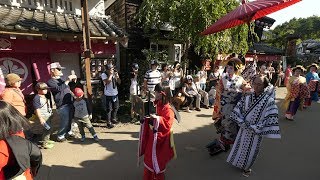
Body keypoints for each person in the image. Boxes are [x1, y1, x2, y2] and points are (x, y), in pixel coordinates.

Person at [227, 75, 281, 177]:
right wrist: (241, 122)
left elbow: (270, 116)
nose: (256, 86)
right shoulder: (247, 97)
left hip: (256, 130)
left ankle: (247, 168)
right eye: (254, 83)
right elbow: (238, 109)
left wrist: (258, 127)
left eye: (259, 84)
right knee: (240, 145)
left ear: (264, 85)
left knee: (252, 149)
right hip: (244, 127)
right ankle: (238, 162)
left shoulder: (269, 101)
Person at [207, 60, 248, 156]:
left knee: (235, 124)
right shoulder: (223, 78)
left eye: (231, 68)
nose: (228, 69)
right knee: (226, 123)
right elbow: (219, 90)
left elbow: (245, 86)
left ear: (236, 69)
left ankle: (233, 144)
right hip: (225, 105)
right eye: (228, 67)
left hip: (236, 105)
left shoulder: (240, 78)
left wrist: (247, 89)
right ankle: (224, 143)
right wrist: (219, 101)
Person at [138, 83, 177, 180]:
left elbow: (167, 125)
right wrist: (147, 118)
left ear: (162, 93)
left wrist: (157, 119)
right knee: (149, 158)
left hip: (161, 139)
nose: (154, 93)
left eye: (156, 91)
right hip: (154, 136)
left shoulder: (168, 109)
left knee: (158, 161)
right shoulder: (158, 104)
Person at [0, 101, 42, 180]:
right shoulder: (19, 132)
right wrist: (34, 168)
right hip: (25, 173)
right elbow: (36, 153)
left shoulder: (2, 146)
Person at [47, 62, 76, 142]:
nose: (60, 71)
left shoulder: (61, 80)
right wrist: (67, 80)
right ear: (52, 70)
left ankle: (68, 132)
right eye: (58, 69)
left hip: (69, 102)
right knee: (65, 120)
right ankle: (60, 136)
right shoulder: (50, 81)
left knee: (70, 119)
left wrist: (73, 81)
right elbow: (59, 88)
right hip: (62, 105)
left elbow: (67, 88)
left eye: (60, 69)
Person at [33, 82, 55, 149]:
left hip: (48, 114)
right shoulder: (36, 98)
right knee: (47, 129)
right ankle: (45, 143)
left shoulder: (45, 95)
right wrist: (40, 118)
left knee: (49, 128)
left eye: (46, 89)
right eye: (43, 89)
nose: (45, 90)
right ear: (38, 89)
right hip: (43, 116)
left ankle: (47, 140)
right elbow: (37, 109)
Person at [101, 64, 121, 129]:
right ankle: (108, 123)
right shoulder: (104, 74)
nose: (112, 70)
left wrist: (117, 77)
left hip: (115, 93)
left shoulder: (114, 73)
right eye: (111, 69)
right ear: (107, 69)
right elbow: (107, 82)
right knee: (108, 109)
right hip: (108, 94)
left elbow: (119, 82)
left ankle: (114, 119)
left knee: (116, 107)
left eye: (112, 68)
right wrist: (111, 75)